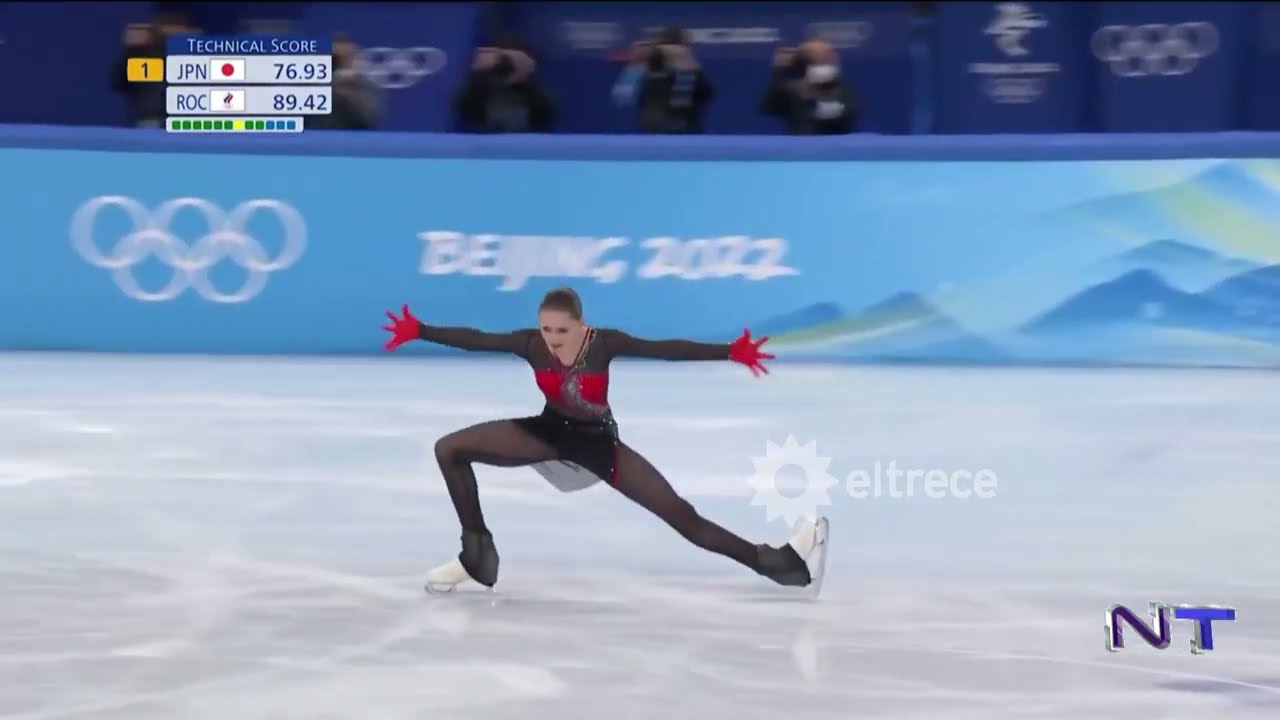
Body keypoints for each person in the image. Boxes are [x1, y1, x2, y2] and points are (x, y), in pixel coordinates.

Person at [381, 287, 826, 592]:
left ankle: (781, 563)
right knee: (450, 449)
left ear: (580, 325)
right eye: (546, 330)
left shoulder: (603, 344)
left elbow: (665, 349)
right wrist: (422, 331)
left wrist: (728, 351)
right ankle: (477, 555)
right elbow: (477, 339)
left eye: (561, 330)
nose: (552, 340)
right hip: (548, 432)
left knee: (681, 515)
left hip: (597, 444)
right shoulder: (531, 345)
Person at [760, 39, 858, 135]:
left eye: (824, 56)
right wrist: (780, 72)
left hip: (833, 145)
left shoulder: (841, 90)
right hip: (800, 146)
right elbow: (769, 108)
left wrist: (812, 100)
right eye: (812, 57)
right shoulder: (792, 89)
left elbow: (846, 114)